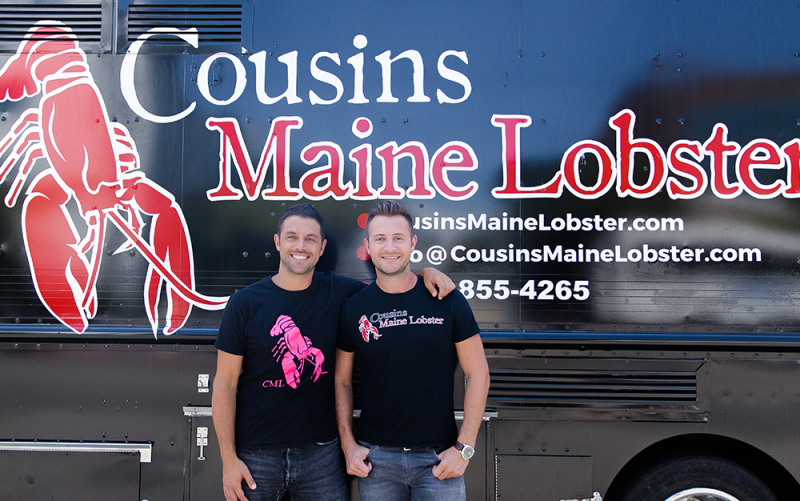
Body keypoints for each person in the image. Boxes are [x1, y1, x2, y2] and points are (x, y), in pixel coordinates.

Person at [212, 203, 454, 501]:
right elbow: (225, 384)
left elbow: (391, 283)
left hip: (322, 457)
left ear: (322, 247)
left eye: (310, 239)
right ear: (277, 242)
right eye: (292, 237)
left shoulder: (342, 293)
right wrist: (228, 460)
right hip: (255, 455)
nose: (301, 246)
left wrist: (424, 272)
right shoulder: (244, 304)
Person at [335, 200, 490, 501]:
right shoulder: (354, 308)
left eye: (398, 238)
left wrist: (464, 448)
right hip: (376, 463)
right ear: (367, 246)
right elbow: (340, 380)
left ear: (413, 243)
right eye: (380, 239)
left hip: (438, 461)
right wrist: (348, 445)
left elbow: (478, 372)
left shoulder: (446, 298)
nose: (389, 247)